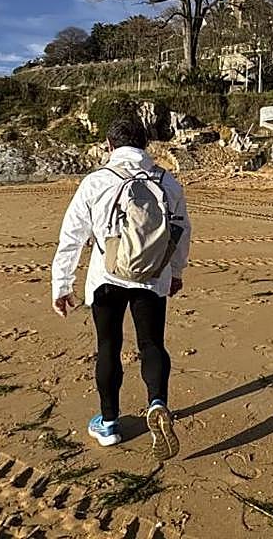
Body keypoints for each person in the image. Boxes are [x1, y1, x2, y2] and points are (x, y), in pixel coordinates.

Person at [50, 115, 190, 459]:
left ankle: (109, 423)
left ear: (109, 146)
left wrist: (62, 284)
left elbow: (72, 237)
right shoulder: (167, 181)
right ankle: (157, 402)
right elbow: (181, 231)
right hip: (152, 277)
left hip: (106, 279)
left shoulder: (96, 181)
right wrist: (174, 272)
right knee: (152, 343)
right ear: (145, 145)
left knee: (109, 346)